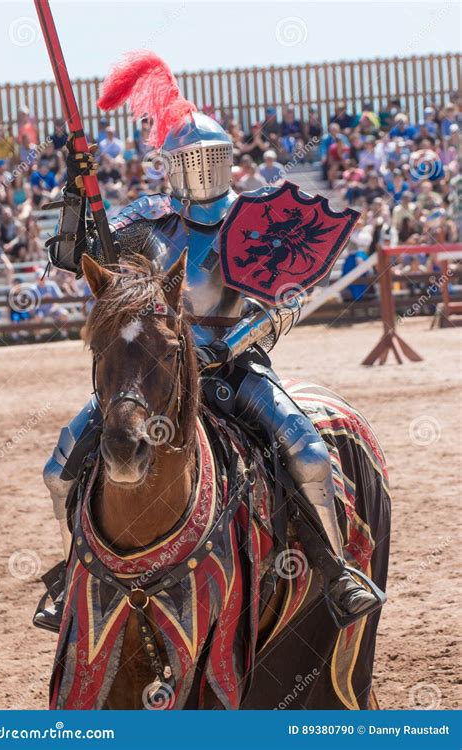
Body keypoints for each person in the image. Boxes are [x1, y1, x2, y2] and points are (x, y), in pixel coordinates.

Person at [35, 51, 383, 633]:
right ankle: (76, 569)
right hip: (157, 371)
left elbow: (285, 304)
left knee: (308, 452)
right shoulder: (149, 221)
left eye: (214, 157)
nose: (205, 168)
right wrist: (77, 190)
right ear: (172, 165)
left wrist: (231, 345)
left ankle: (337, 569)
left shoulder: (254, 221)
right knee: (59, 468)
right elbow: (72, 257)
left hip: (233, 366)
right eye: (193, 158)